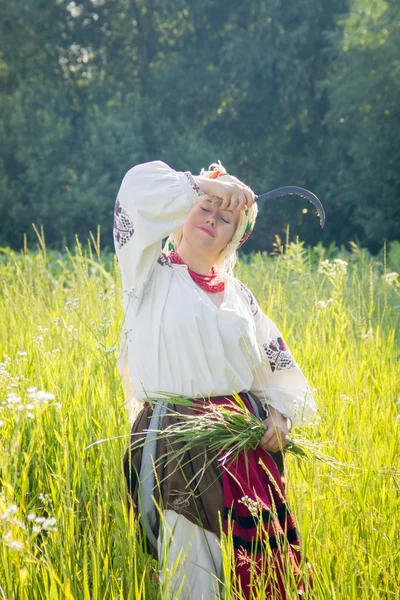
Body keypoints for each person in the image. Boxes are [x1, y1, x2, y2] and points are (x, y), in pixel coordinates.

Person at [114, 160, 317, 600]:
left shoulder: (240, 297)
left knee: (262, 579)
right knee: (193, 580)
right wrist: (211, 184)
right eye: (205, 206)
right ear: (183, 209)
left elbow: (276, 369)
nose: (212, 218)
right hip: (178, 443)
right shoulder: (147, 273)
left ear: (233, 238)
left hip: (244, 453)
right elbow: (135, 188)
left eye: (226, 217)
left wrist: (280, 416)